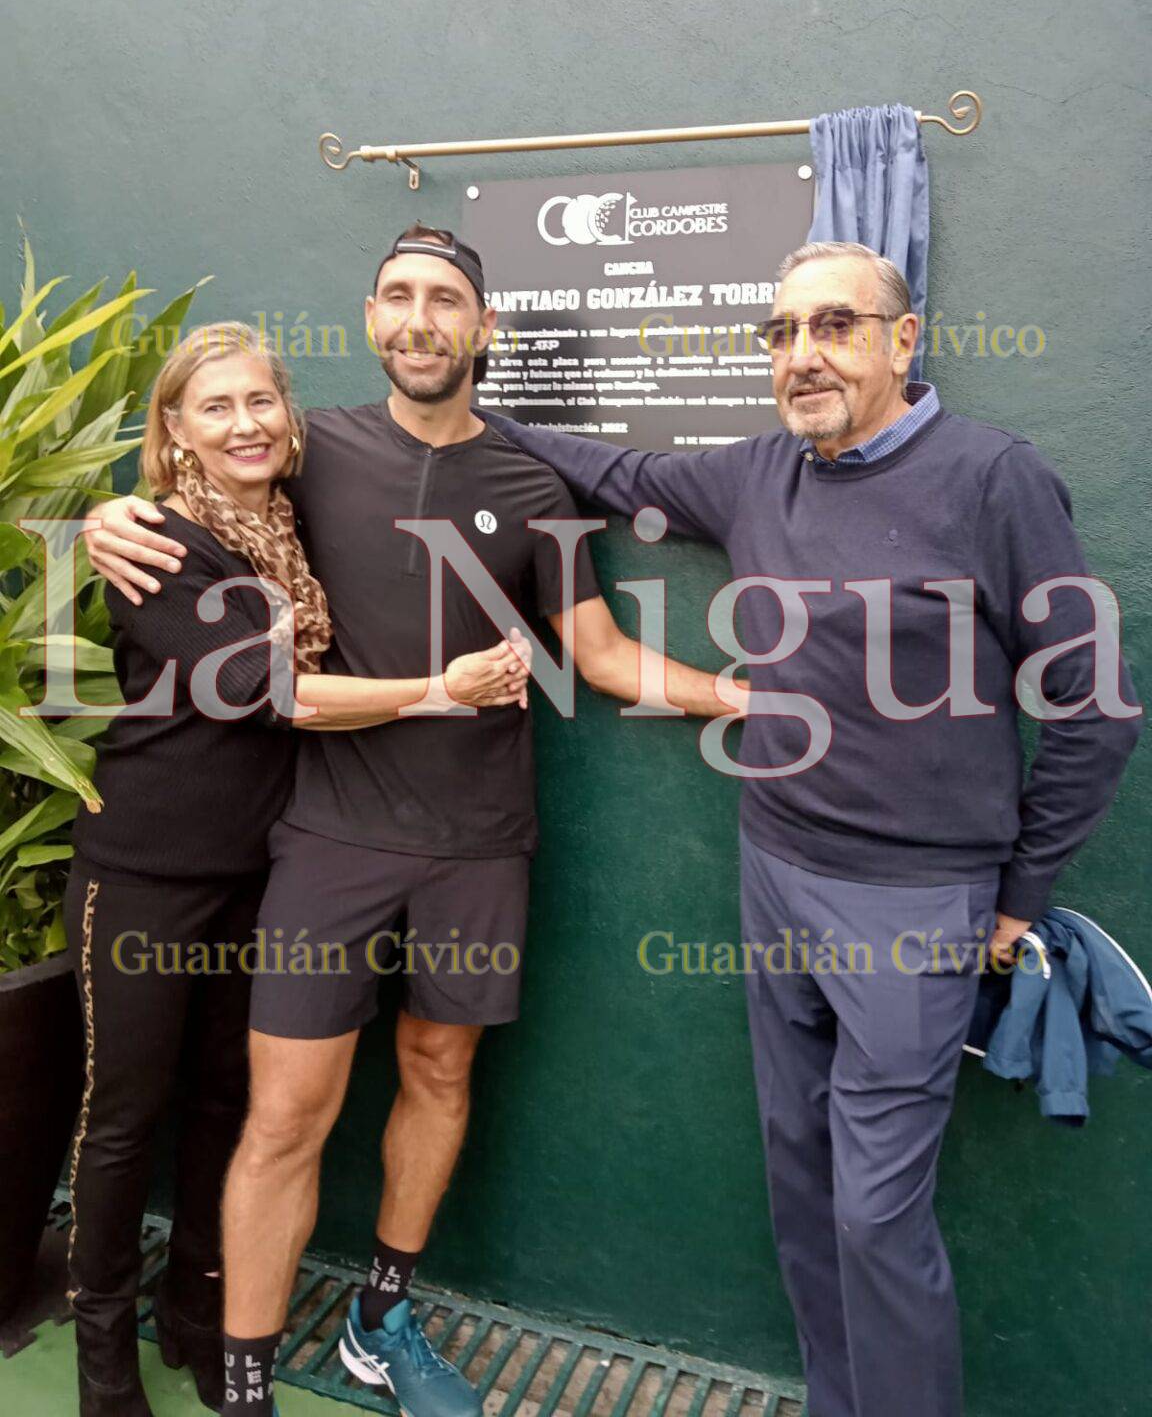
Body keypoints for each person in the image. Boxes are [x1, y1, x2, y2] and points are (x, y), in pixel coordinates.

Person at [85, 226, 746, 1417]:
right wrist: (102, 518)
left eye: (445, 298)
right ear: (373, 317)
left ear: (482, 328)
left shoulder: (536, 486)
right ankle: (243, 1384)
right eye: (397, 296)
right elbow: (195, 489)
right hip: (326, 844)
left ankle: (380, 1321)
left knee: (438, 1071)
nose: (419, 317)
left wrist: (740, 693)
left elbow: (597, 657)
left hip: (481, 844)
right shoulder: (308, 453)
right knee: (284, 1113)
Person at [478, 241, 1143, 1417]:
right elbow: (620, 465)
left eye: (833, 326)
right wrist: (451, 416)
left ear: (904, 338)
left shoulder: (995, 478)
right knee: (799, 1177)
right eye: (780, 334)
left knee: (877, 1214)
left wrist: (1020, 896)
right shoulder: (755, 476)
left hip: (915, 906)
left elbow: (1093, 713)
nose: (802, 356)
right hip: (774, 867)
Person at [68, 321, 530, 1417]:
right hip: (145, 868)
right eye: (214, 408)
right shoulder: (160, 545)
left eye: (261, 403)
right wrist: (439, 690)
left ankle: (194, 1321)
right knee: (125, 1118)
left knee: (227, 1104)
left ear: (292, 417)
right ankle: (100, 1368)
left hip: (261, 868)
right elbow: (276, 692)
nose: (244, 425)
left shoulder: (290, 519)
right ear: (172, 430)